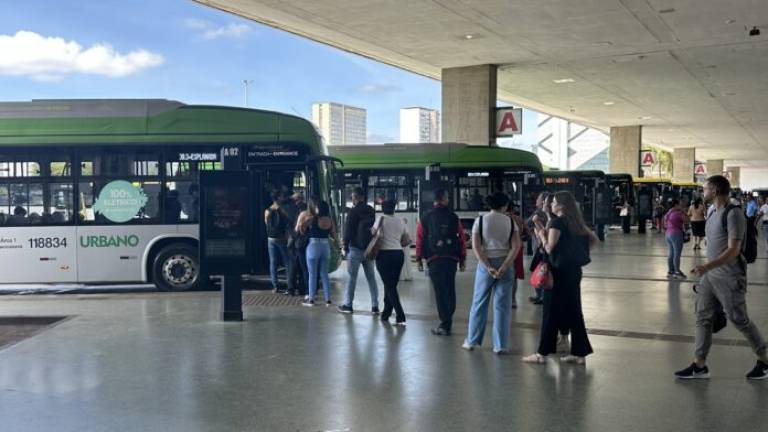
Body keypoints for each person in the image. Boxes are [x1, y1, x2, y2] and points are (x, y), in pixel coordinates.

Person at [675, 175, 768, 380]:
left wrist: (707, 266)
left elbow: (734, 250)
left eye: (705, 188)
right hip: (711, 277)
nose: (703, 191)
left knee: (739, 319)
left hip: (730, 276)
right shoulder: (711, 211)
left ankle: (764, 359)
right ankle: (699, 365)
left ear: (715, 190)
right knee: (703, 317)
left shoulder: (733, 214)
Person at [523, 191, 597, 365]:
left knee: (550, 312)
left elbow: (549, 248)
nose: (551, 205)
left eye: (554, 202)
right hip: (574, 272)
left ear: (562, 205)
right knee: (574, 312)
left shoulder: (557, 222)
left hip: (557, 274)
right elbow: (593, 240)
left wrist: (541, 234)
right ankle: (580, 354)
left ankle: (541, 353)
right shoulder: (576, 223)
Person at [463, 192, 522, 354]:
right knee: (502, 306)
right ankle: (501, 345)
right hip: (505, 264)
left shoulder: (480, 221)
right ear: (504, 206)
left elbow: (475, 247)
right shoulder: (511, 222)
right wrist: (504, 266)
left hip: (485, 264)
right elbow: (516, 246)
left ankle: (471, 341)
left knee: (479, 303)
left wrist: (488, 266)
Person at [416, 188, 466, 336]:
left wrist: (419, 258)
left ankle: (445, 323)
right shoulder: (453, 217)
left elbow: (419, 238)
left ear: (434, 201)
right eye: (447, 198)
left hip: (434, 259)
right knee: (450, 288)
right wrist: (462, 259)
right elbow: (461, 239)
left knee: (439, 291)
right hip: (451, 259)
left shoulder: (425, 217)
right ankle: (448, 316)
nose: (448, 200)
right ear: (443, 199)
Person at [338, 187, 379, 314]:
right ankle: (375, 306)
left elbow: (348, 231)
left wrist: (344, 247)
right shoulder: (371, 210)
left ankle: (348, 305)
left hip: (355, 249)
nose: (353, 199)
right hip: (369, 249)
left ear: (357, 197)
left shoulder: (353, 212)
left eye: (353, 197)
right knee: (371, 277)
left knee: (352, 277)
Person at [374, 200, 409, 326]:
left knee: (389, 286)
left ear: (382, 208)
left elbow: (373, 233)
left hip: (384, 255)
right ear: (394, 208)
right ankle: (386, 313)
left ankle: (400, 315)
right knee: (390, 285)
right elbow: (405, 240)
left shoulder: (380, 218)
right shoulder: (401, 220)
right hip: (398, 255)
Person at [298, 198, 338, 307]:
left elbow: (301, 226)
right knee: (324, 274)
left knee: (312, 274)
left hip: (313, 246)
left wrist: (304, 232)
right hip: (325, 247)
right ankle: (328, 300)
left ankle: (311, 300)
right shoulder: (330, 220)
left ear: (318, 208)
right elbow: (334, 235)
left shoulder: (313, 219)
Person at [265, 191, 294, 294]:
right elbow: (288, 222)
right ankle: (289, 284)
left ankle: (275, 286)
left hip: (270, 239)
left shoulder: (267, 211)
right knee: (287, 261)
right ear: (278, 198)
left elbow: (266, 224)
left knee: (273, 262)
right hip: (281, 238)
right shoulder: (282, 210)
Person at [526, 192, 550, 304]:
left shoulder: (538, 213)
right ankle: (540, 295)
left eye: (538, 198)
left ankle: (541, 296)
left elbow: (527, 223)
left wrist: (534, 228)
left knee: (539, 271)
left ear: (543, 201)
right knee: (542, 270)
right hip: (543, 247)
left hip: (541, 247)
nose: (536, 200)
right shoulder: (549, 214)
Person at [505, 203, 527, 309]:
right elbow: (527, 235)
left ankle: (504, 298)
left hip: (504, 250)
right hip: (518, 249)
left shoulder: (502, 219)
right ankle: (513, 299)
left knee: (503, 274)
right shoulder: (519, 219)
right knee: (514, 276)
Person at [287, 191, 309, 296]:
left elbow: (290, 225)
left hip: (294, 240)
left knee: (293, 266)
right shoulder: (307, 209)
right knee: (303, 266)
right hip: (304, 241)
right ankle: (302, 288)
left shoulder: (292, 209)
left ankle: (291, 289)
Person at [663, 199, 688, 279]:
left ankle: (671, 271)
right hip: (676, 234)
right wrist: (683, 212)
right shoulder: (678, 213)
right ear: (676, 205)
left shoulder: (667, 213)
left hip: (668, 234)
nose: (681, 206)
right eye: (679, 204)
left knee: (671, 253)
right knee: (677, 254)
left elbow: (665, 225)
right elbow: (687, 221)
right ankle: (677, 272)